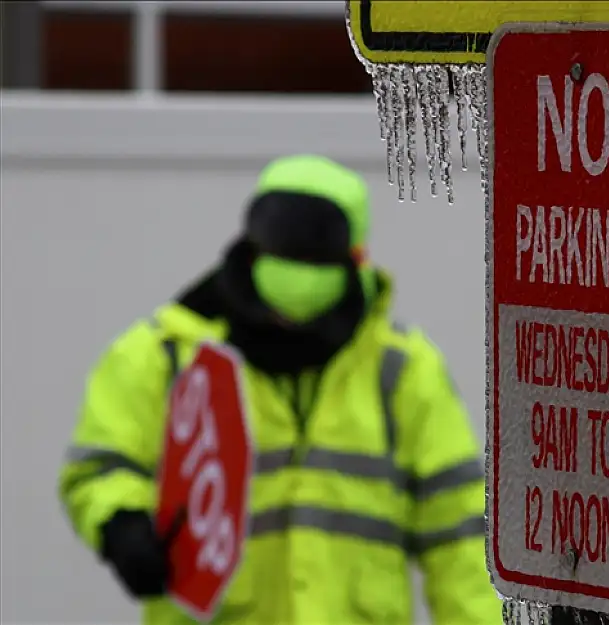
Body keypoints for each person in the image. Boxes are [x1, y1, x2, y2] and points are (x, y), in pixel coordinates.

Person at [58, 155, 502, 625]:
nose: (298, 269)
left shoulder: (402, 372)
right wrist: (121, 523)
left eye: (316, 253)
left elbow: (460, 536)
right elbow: (100, 465)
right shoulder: (166, 357)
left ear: (356, 259)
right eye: (285, 249)